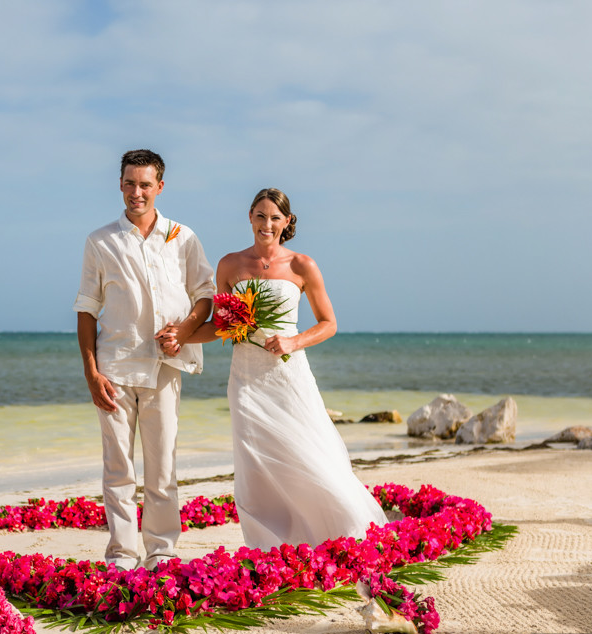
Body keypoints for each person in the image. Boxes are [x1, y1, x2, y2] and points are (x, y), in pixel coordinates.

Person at [159, 188, 387, 550]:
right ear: (250, 217)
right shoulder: (230, 265)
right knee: (256, 464)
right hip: (246, 379)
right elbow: (221, 326)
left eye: (275, 217)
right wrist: (180, 338)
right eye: (260, 216)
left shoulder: (302, 265)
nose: (267, 224)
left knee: (309, 453)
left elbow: (329, 323)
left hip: (289, 376)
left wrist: (293, 342)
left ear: (287, 222)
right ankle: (268, 546)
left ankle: (337, 532)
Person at [73, 149, 215, 570]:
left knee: (163, 467)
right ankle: (121, 553)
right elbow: (86, 308)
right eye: (130, 183)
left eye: (145, 184)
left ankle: (162, 553)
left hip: (165, 368)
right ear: (120, 184)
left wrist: (185, 331)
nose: (137, 192)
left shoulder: (182, 237)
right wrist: (91, 372)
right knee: (118, 470)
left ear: (160, 187)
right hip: (113, 368)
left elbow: (205, 295)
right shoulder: (100, 241)